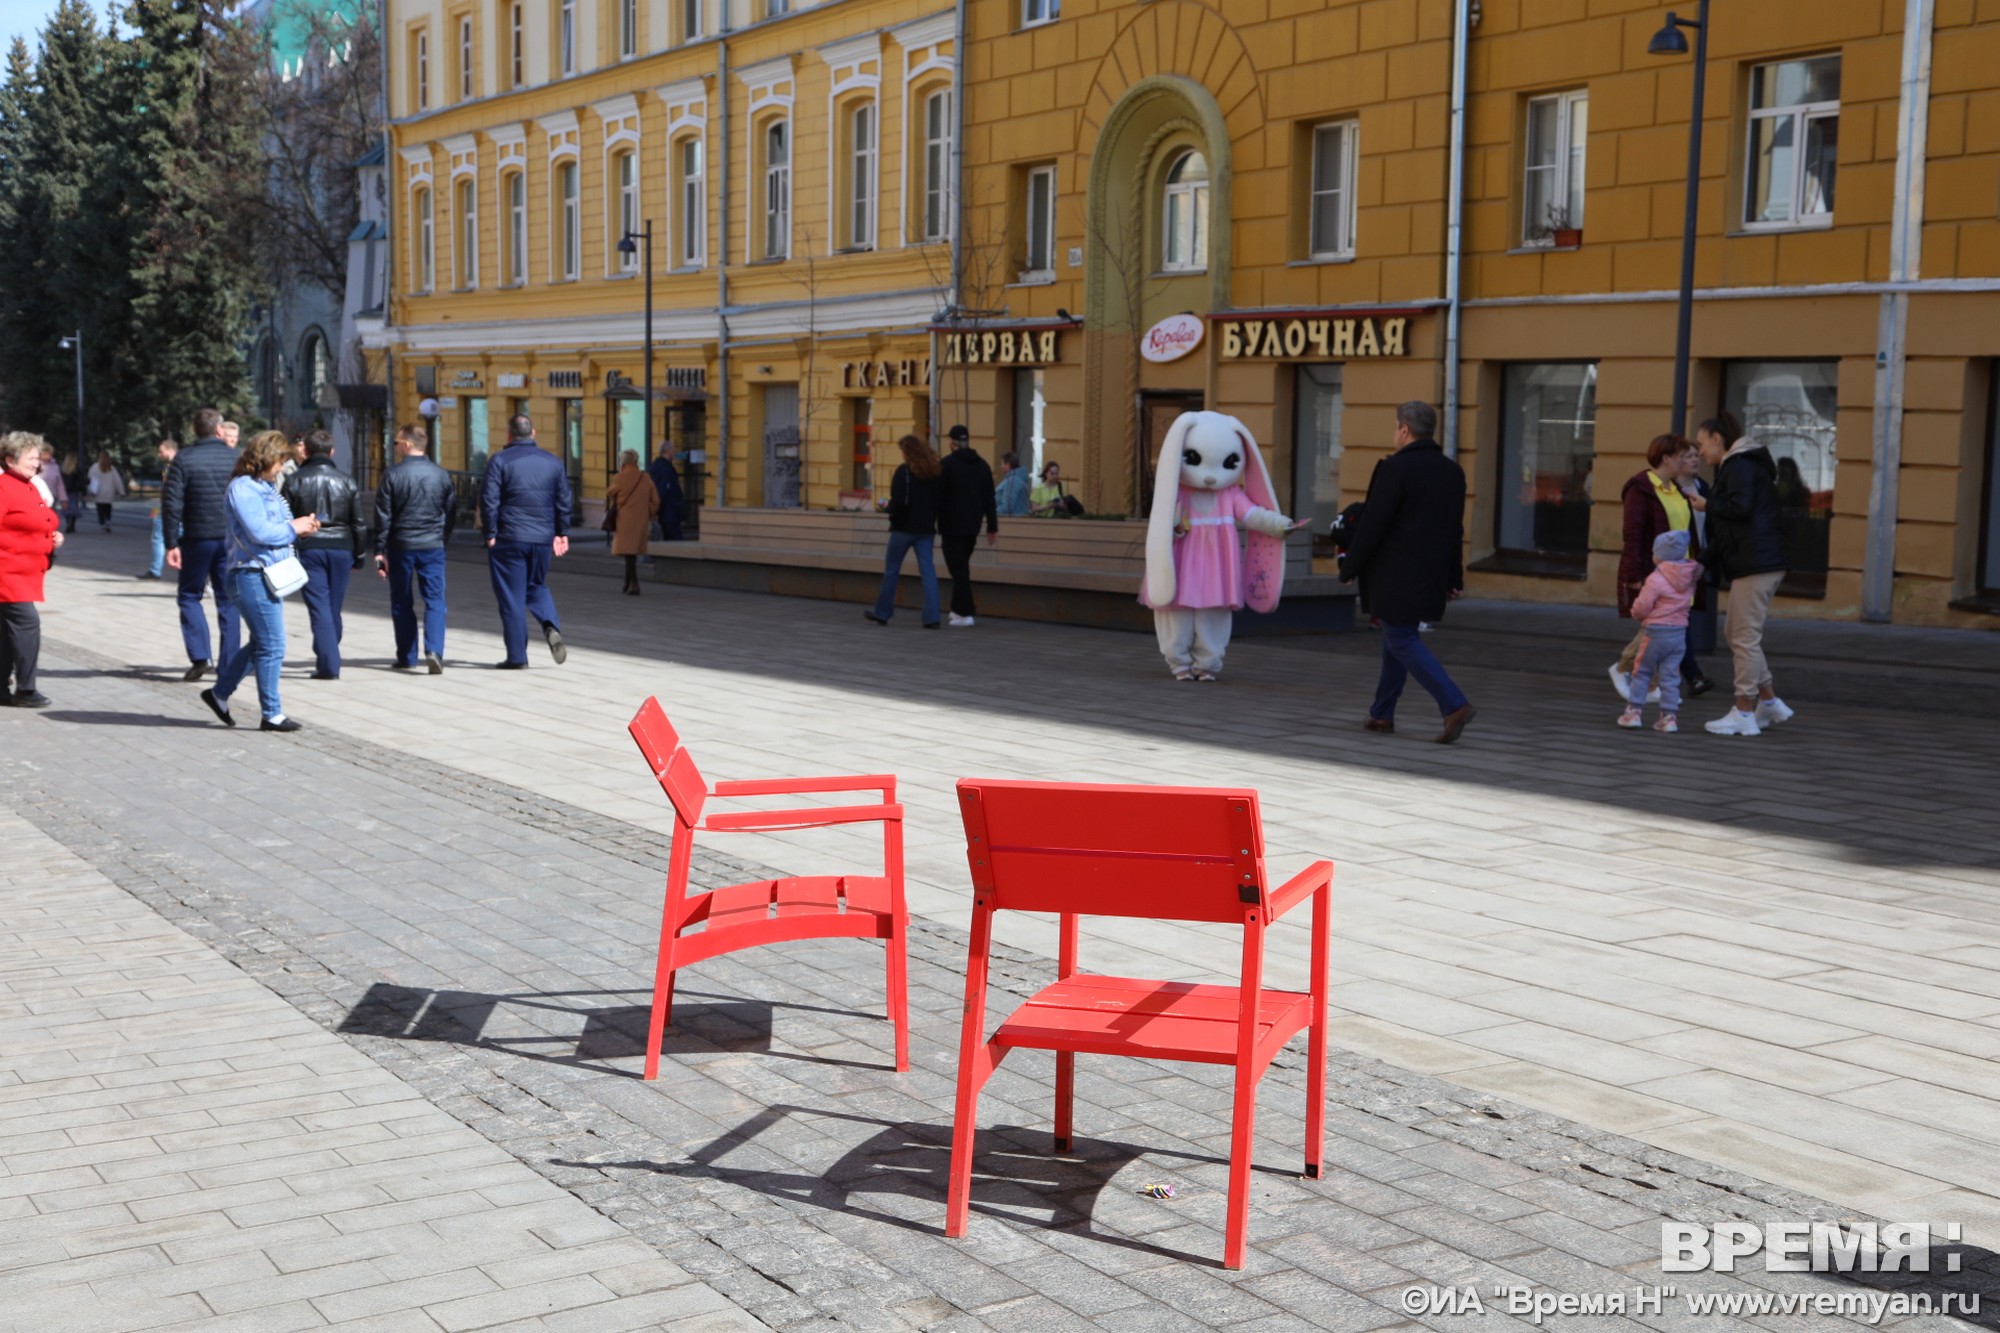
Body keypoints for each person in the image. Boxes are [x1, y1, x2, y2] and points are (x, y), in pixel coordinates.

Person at [1339, 401, 1476, 744]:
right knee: (1396, 635)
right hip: (1430, 571)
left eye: (1395, 428)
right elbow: (1454, 529)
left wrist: (1350, 565)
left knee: (1400, 637)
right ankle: (1382, 713)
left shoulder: (1395, 469)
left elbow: (1373, 523)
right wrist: (1454, 577)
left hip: (1394, 571)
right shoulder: (1452, 471)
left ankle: (1453, 704)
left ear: (1403, 429)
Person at [197, 431, 320, 733]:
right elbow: (260, 532)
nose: (281, 469)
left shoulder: (261, 486)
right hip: (250, 574)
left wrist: (302, 526)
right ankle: (271, 713)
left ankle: (219, 694)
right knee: (273, 644)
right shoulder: (243, 488)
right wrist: (293, 527)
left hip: (264, 572)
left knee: (261, 643)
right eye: (279, 462)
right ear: (265, 458)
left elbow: (274, 527)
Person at [1699, 415, 1795, 737]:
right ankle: (1768, 702)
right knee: (1738, 633)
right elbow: (1733, 524)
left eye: (1701, 444)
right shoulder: (1743, 464)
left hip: (1757, 562)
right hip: (1758, 561)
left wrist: (1707, 504)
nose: (1700, 452)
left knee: (1743, 637)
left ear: (1716, 438)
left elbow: (1739, 509)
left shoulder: (1738, 465)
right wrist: (1704, 561)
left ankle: (1743, 712)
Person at [1612, 435, 1712, 701]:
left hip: (1682, 574)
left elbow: (1688, 531)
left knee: (1671, 627)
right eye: (1681, 455)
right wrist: (1635, 576)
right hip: (1657, 574)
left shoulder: (1677, 490)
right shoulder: (1641, 488)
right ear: (1666, 458)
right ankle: (1628, 669)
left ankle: (1656, 684)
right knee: (1662, 626)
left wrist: (1697, 565)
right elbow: (1632, 535)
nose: (1686, 459)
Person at [480, 413, 572, 668]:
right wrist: (561, 532)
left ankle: (517, 657)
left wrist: (490, 533)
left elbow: (489, 501)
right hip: (542, 538)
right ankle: (550, 624)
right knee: (537, 586)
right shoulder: (553, 463)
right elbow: (564, 500)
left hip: (510, 537)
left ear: (509, 435)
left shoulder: (499, 460)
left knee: (512, 597)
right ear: (533, 434)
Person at [161, 407, 242, 682]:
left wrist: (171, 542)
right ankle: (229, 664)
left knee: (189, 595)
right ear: (219, 430)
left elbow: (172, 503)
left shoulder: (184, 459)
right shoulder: (236, 458)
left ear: (195, 431)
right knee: (229, 599)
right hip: (231, 539)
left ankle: (200, 656)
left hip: (197, 537)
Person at [282, 430, 366, 680]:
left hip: (309, 547)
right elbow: (358, 522)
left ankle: (328, 663)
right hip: (341, 548)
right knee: (333, 606)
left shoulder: (295, 480)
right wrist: (359, 556)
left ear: (305, 451)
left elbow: (285, 519)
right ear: (332, 452)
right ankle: (328, 651)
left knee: (319, 607)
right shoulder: (346, 480)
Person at [373, 424, 456, 673]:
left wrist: (379, 549)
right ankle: (434, 651)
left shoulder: (393, 474)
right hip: (432, 545)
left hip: (402, 546)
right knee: (435, 600)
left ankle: (407, 656)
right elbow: (450, 512)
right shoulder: (441, 474)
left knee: (401, 601)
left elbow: (383, 516)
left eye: (397, 443)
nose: (395, 447)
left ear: (407, 445)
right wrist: (443, 537)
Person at [0, 432, 63, 708]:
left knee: (5, 631)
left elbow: (40, 519)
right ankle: (26, 689)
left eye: (38, 457)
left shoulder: (29, 485)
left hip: (22, 573)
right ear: (10, 459)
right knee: (27, 624)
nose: (37, 463)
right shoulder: (4, 487)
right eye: (31, 457)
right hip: (7, 573)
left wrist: (53, 535)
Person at [1619, 530, 1700, 734]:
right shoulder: (1688, 577)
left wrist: (1636, 613)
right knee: (1671, 676)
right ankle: (1669, 717)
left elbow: (1643, 605)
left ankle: (1633, 712)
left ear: (1660, 555)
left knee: (1642, 672)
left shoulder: (1655, 579)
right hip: (1679, 633)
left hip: (1655, 633)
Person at [865, 434, 943, 628]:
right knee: (928, 573)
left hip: (903, 528)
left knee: (892, 571)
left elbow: (898, 501)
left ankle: (882, 613)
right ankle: (932, 618)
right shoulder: (934, 472)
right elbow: (938, 501)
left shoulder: (903, 472)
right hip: (926, 529)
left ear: (907, 452)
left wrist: (889, 509)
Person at [937, 424, 998, 627]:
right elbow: (990, 498)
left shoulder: (946, 465)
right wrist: (992, 526)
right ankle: (957, 609)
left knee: (958, 569)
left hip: (951, 525)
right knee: (961, 567)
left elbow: (938, 496)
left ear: (953, 442)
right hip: (973, 525)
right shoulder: (982, 465)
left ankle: (965, 613)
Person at [606, 449, 660, 595]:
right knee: (631, 552)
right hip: (640, 520)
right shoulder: (645, 478)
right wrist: (648, 512)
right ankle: (628, 582)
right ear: (636, 461)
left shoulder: (619, 478)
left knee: (628, 552)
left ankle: (633, 583)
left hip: (624, 519)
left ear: (623, 462)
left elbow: (609, 492)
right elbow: (655, 501)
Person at [139, 439, 177, 579]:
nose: (159, 454)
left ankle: (155, 570)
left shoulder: (175, 466)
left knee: (158, 537)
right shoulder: (169, 466)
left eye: (161, 451)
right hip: (166, 505)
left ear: (170, 450)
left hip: (171, 506)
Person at [648, 442, 686, 542]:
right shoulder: (665, 469)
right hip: (669, 512)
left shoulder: (657, 466)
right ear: (667, 451)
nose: (675, 452)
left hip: (664, 511)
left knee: (666, 540)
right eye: (673, 449)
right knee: (675, 541)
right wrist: (657, 510)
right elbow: (663, 491)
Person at [86, 449, 125, 530]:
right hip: (109, 493)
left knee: (100, 509)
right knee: (108, 508)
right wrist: (121, 491)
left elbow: (89, 477)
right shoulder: (112, 469)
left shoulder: (94, 467)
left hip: (98, 492)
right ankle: (108, 520)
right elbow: (117, 481)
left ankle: (102, 522)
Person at [995, 450, 1030, 517]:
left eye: (1002, 464)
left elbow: (1007, 507)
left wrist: (989, 512)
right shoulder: (1013, 480)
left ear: (1008, 465)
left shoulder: (1013, 481)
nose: (1001, 466)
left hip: (1011, 523)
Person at [61, 452, 85, 534]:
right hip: (74, 491)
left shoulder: (63, 470)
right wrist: (83, 491)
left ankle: (68, 523)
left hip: (64, 491)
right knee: (74, 506)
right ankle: (72, 523)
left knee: (66, 508)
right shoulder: (77, 471)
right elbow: (82, 482)